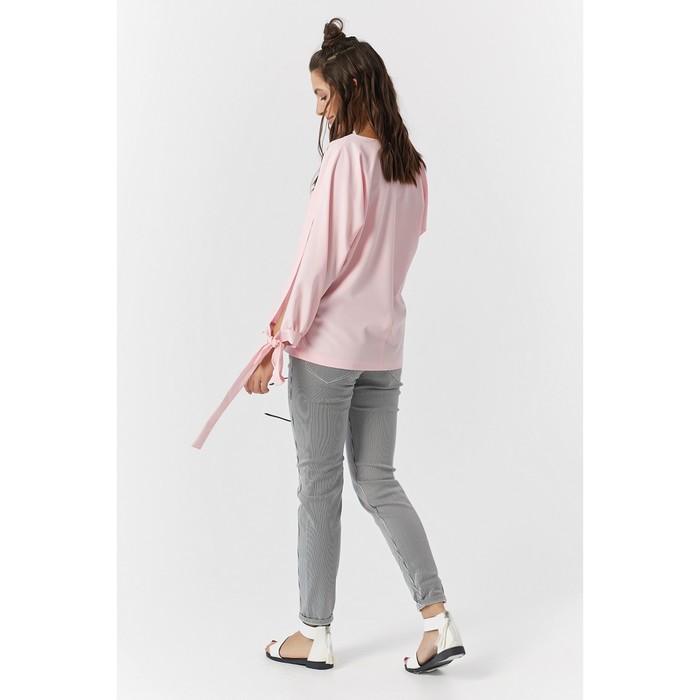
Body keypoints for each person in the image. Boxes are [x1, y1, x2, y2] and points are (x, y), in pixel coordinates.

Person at [192, 17, 466, 673]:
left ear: (351, 89)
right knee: (378, 481)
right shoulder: (413, 169)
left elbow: (319, 259)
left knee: (319, 488)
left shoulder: (346, 157)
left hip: (327, 347)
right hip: (384, 348)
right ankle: (439, 620)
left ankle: (314, 632)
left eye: (323, 95)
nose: (318, 109)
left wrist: (278, 342)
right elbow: (396, 254)